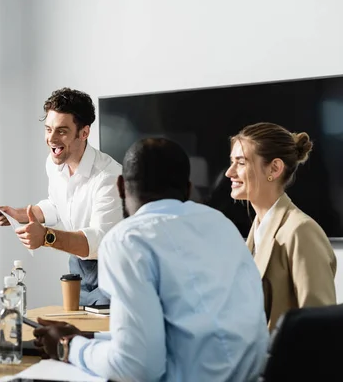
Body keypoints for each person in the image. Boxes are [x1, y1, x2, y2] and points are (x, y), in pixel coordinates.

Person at [33, 138, 268, 382]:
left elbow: (136, 368)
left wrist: (69, 347)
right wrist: (89, 338)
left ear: (121, 186)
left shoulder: (127, 240)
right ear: (188, 190)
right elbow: (188, 336)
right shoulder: (222, 226)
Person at [0, 88, 122, 305]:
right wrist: (20, 214)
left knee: (101, 335)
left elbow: (100, 241)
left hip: (111, 270)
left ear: (84, 133)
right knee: (76, 332)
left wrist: (45, 237)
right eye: (48, 129)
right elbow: (56, 204)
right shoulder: (54, 163)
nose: (51, 139)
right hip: (78, 266)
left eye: (61, 131)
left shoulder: (109, 177)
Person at [225, 122, 336, 330]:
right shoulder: (256, 230)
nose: (229, 172)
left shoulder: (301, 231)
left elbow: (321, 329)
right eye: (232, 162)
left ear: (274, 168)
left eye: (240, 162)